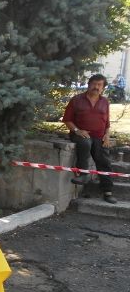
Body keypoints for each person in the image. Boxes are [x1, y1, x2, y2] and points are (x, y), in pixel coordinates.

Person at [62, 73, 116, 204]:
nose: (96, 87)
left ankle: (107, 192)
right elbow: (67, 120)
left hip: (99, 136)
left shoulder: (105, 102)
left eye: (99, 85)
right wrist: (77, 130)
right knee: (85, 143)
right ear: (88, 84)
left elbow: (107, 122)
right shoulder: (76, 100)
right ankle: (83, 174)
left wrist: (107, 135)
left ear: (103, 87)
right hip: (80, 134)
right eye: (94, 84)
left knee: (104, 161)